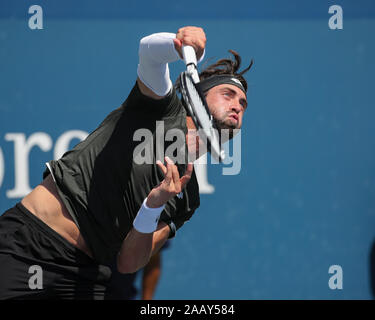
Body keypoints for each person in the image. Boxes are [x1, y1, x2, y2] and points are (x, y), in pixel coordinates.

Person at [0, 26, 253, 299]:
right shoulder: (160, 107)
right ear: (199, 94)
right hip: (28, 245)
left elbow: (129, 263)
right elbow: (149, 52)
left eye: (243, 103)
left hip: (85, 274)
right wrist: (177, 45)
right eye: (228, 94)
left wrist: (152, 206)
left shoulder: (187, 198)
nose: (238, 105)